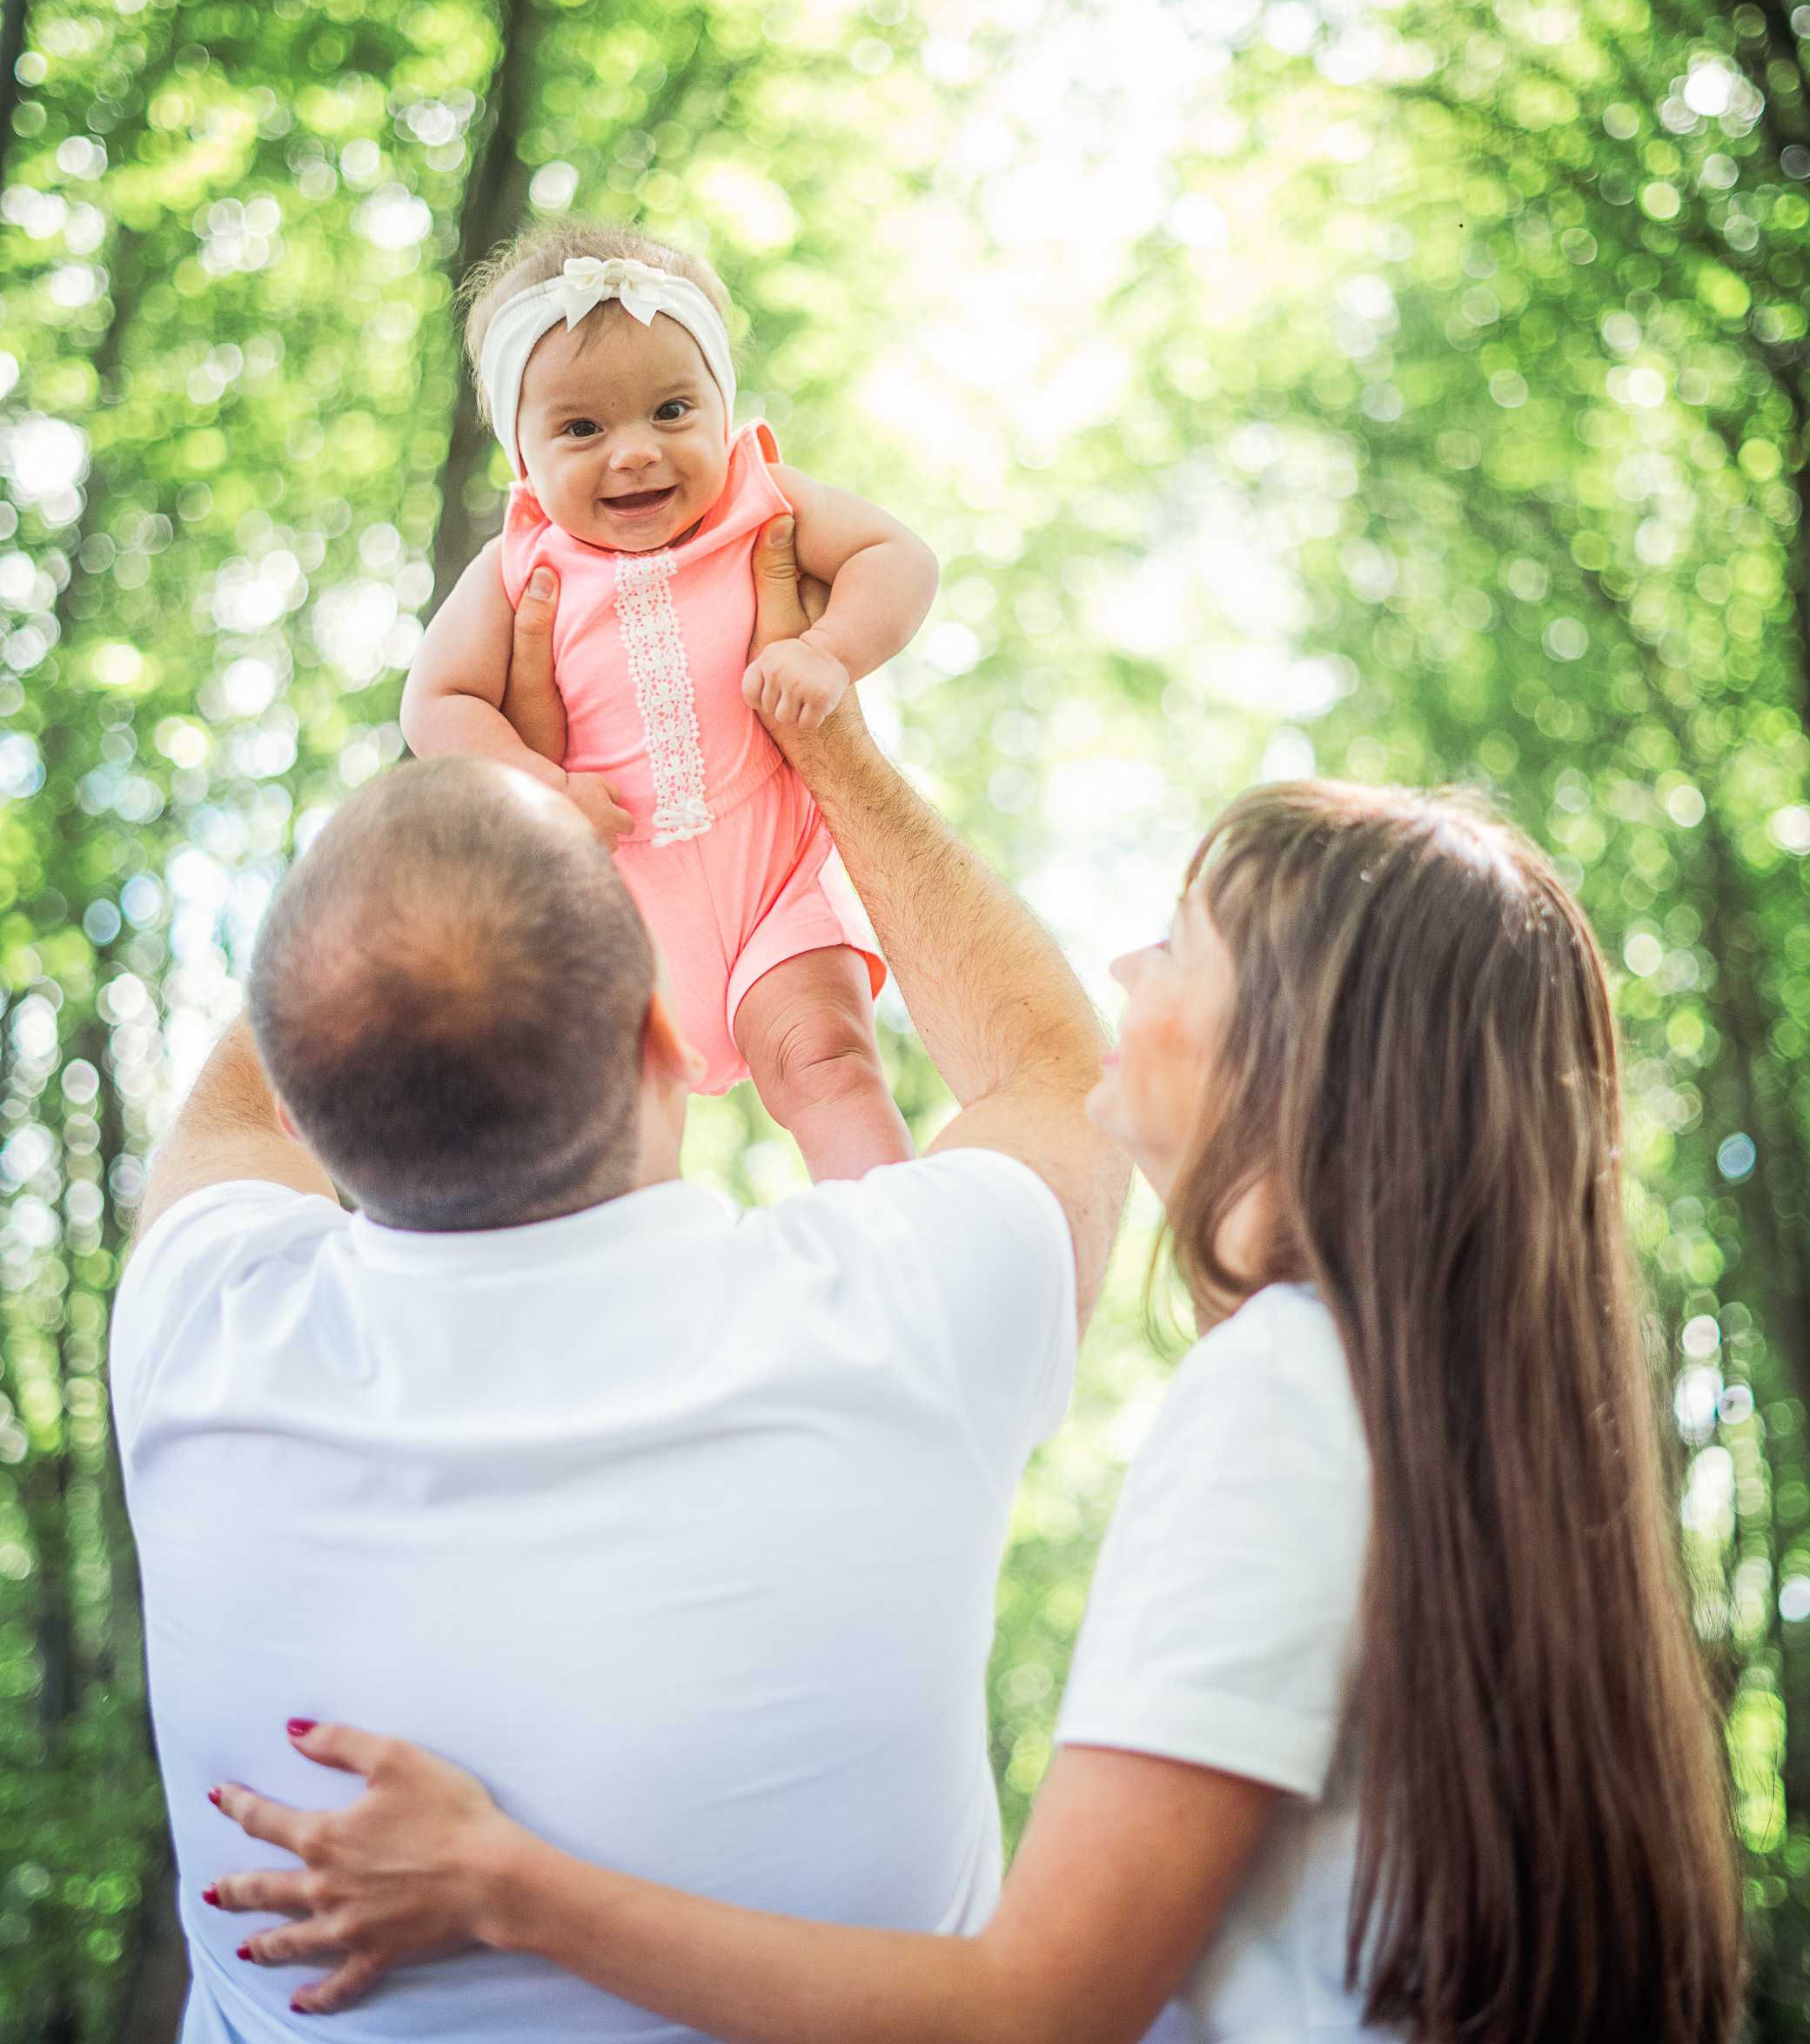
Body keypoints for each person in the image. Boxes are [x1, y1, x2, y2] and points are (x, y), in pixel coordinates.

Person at [210, 761, 1743, 2044]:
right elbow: (1029, 1064)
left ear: (1304, 1064)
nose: (1126, 973)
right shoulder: (1390, 1397)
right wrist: (820, 749)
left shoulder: (1281, 1397)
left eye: (1177, 947)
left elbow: (1040, 2008)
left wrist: (500, 1883)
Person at [108, 521, 1129, 2044]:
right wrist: (818, 735)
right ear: (670, 1045)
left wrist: (474, 773)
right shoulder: (891, 1319)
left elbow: (243, 1107)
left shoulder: (192, 1338)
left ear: (323, 1117)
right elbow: (1051, 1068)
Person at [401, 219, 939, 1178]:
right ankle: (643, 1287)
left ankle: (892, 1245)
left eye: (672, 411)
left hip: (773, 881)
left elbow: (897, 557)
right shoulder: (518, 561)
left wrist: (828, 649)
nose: (636, 452)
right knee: (611, 1130)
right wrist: (533, 783)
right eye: (581, 429)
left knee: (829, 1061)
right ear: (521, 455)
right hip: (617, 909)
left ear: (721, 408)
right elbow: (437, 701)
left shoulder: (757, 499)